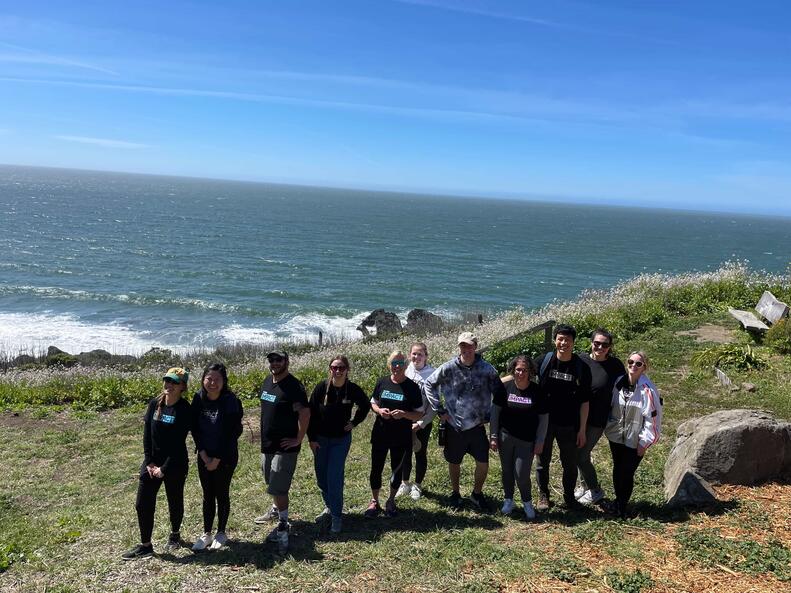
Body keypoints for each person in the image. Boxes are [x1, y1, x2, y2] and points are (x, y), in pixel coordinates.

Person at [424, 332, 506, 512]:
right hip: (455, 427)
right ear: (459, 347)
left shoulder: (487, 369)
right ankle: (455, 493)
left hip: (477, 427)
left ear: (475, 346)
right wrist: (440, 409)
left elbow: (500, 393)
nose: (466, 349)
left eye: (469, 346)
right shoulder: (448, 368)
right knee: (454, 462)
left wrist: (489, 416)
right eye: (462, 346)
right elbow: (429, 384)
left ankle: (477, 494)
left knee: (483, 463)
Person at [122, 367, 191, 560]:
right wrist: (150, 462)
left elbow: (178, 443)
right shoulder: (155, 404)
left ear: (182, 386)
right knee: (142, 503)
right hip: (152, 462)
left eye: (174, 382)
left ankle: (175, 535)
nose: (168, 385)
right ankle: (146, 545)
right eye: (167, 380)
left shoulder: (184, 409)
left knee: (174, 499)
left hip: (175, 463)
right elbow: (147, 435)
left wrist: (164, 469)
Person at [253, 351, 310, 552]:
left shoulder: (294, 386)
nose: (275, 363)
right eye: (271, 360)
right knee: (270, 480)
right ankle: (277, 510)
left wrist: (298, 438)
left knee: (279, 486)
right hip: (267, 443)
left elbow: (304, 412)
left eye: (279, 360)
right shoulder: (268, 381)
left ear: (286, 361)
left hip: (286, 446)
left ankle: (284, 524)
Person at [307, 355, 371, 533]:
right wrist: (311, 439)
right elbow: (310, 412)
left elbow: (365, 405)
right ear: (330, 369)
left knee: (334, 477)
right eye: (334, 367)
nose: (338, 371)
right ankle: (329, 506)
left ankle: (336, 516)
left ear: (347, 370)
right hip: (320, 440)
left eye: (341, 367)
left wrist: (354, 422)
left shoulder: (351, 389)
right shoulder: (322, 387)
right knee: (321, 477)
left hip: (340, 441)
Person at [534, 324, 592, 511]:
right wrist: (498, 383)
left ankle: (569, 497)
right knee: (542, 461)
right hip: (545, 422)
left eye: (567, 339)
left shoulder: (581, 368)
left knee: (570, 463)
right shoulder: (544, 361)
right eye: (560, 338)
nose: (563, 343)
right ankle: (543, 496)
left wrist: (582, 429)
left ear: (573, 342)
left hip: (569, 424)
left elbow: (585, 402)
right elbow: (522, 373)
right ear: (555, 340)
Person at [190, 363, 244, 551]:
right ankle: (206, 533)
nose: (212, 383)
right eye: (209, 379)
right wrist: (204, 455)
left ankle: (221, 533)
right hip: (205, 455)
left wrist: (217, 459)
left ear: (224, 381)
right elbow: (195, 428)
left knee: (221, 492)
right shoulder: (198, 398)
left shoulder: (230, 400)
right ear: (203, 379)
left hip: (226, 456)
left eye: (217, 379)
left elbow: (233, 432)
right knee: (207, 494)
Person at [366, 350, 424, 518]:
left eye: (400, 364)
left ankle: (391, 500)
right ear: (389, 365)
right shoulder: (382, 382)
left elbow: (419, 413)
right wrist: (379, 410)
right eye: (393, 364)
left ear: (406, 366)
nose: (396, 367)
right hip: (381, 434)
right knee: (376, 468)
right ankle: (374, 501)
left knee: (396, 470)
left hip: (401, 437)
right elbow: (373, 402)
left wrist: (404, 414)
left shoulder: (412, 388)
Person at [604, 351, 662, 518]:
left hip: (635, 439)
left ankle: (622, 507)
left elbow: (653, 419)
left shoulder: (647, 389)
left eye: (639, 364)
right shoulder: (618, 383)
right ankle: (619, 502)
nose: (633, 366)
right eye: (631, 362)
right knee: (617, 469)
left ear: (645, 367)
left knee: (626, 472)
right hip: (616, 436)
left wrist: (645, 442)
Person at [490, 355, 548, 520]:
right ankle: (508, 500)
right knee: (507, 470)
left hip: (526, 440)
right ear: (513, 370)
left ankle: (527, 502)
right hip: (505, 437)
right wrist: (493, 436)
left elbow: (544, 418)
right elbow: (495, 413)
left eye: (525, 370)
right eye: (518, 370)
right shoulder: (505, 388)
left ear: (530, 372)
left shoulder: (537, 391)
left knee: (521, 474)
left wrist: (540, 441)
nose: (521, 373)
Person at [575, 328, 625, 505]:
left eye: (605, 344)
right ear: (591, 343)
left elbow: (626, 388)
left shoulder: (615, 366)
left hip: (598, 418)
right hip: (578, 415)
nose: (600, 347)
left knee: (581, 455)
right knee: (578, 452)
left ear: (609, 347)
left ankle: (595, 490)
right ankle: (584, 485)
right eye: (597, 343)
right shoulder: (581, 360)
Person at [396, 341, 436, 501]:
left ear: (426, 356)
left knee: (420, 453)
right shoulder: (405, 371)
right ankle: (405, 483)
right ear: (409, 355)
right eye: (414, 353)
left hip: (422, 423)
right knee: (405, 453)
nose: (417, 357)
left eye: (420, 354)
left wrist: (421, 423)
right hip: (405, 421)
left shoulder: (433, 374)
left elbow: (434, 405)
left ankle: (417, 486)